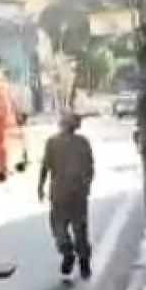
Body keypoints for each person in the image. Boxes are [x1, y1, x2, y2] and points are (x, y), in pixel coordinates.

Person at [37, 111, 96, 279]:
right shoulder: (82, 143)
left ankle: (68, 252)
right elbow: (90, 168)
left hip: (60, 195)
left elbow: (45, 167)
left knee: (60, 229)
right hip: (75, 195)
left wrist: (40, 186)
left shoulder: (53, 143)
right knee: (79, 230)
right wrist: (86, 185)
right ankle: (83, 262)